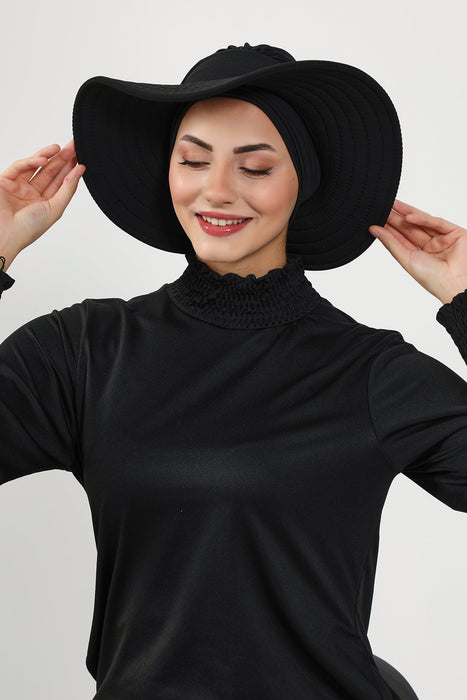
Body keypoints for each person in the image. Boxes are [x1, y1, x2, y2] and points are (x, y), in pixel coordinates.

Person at [0, 42, 466, 700]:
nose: (216, 189)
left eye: (255, 167)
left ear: (302, 183)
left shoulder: (370, 372)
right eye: (193, 160)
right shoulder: (85, 351)